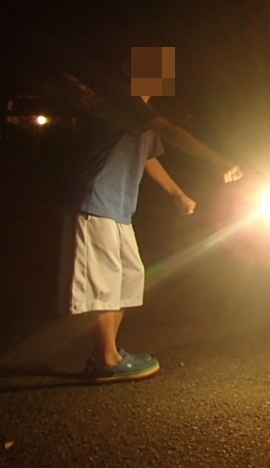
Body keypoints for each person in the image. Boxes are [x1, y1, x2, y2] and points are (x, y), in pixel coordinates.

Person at [58, 58, 243, 383]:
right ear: (129, 70)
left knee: (128, 278)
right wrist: (218, 160)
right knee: (104, 279)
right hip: (95, 199)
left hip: (120, 206)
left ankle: (108, 352)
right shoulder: (121, 102)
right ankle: (105, 359)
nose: (156, 75)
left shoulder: (143, 116)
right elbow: (170, 131)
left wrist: (177, 193)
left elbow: (149, 156)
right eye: (148, 65)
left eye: (161, 69)